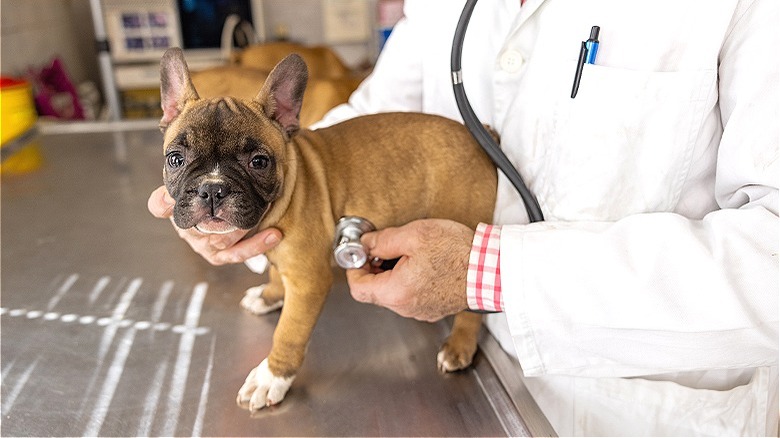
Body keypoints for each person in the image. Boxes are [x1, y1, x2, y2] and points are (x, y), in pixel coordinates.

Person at [148, 0, 779, 435]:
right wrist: (262, 197)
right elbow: (375, 116)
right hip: (458, 389)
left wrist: (490, 275)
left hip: (651, 400)